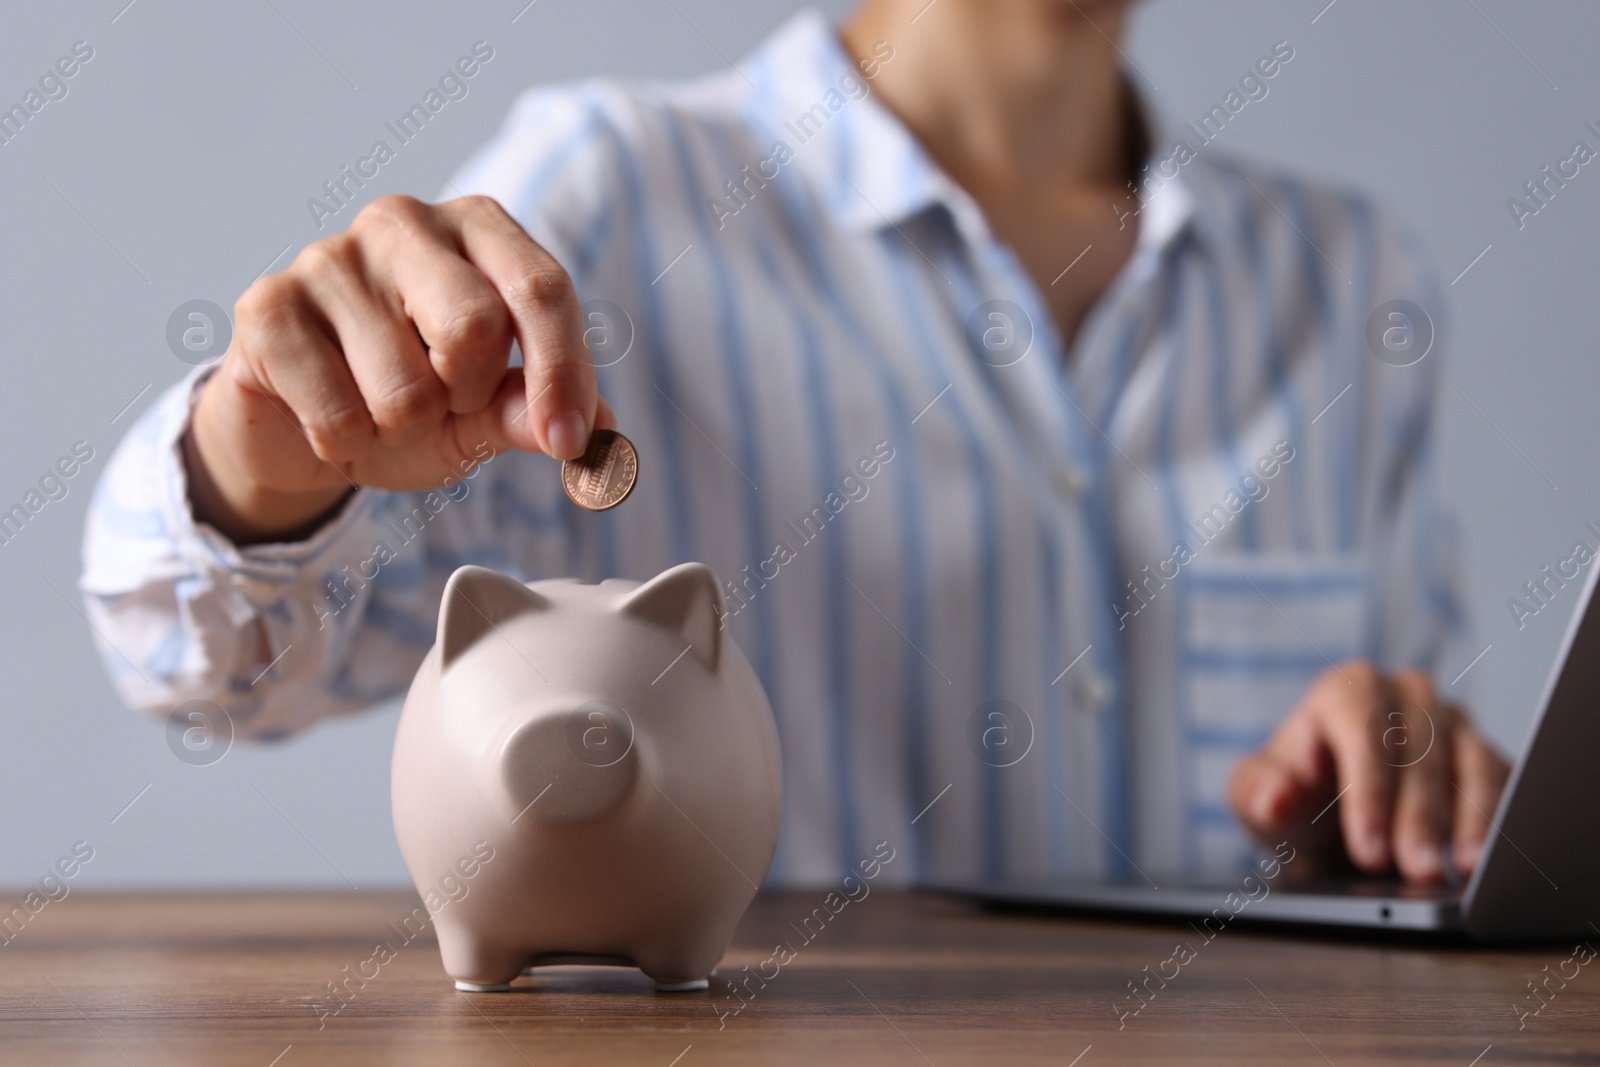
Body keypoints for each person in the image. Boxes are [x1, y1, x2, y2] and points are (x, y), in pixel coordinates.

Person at [81, 0, 1508, 888]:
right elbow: (213, 684)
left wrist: (1388, 785)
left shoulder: (1352, 280)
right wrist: (260, 470)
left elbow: (1377, 767)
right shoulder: (616, 194)